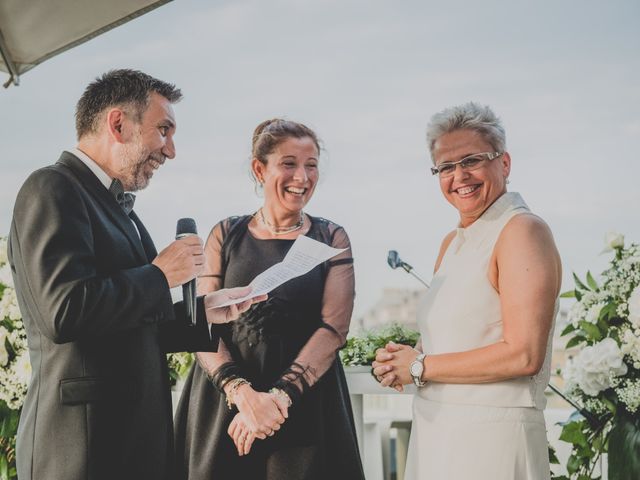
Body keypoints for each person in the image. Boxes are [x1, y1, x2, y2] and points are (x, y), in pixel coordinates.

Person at [8, 69, 265, 480]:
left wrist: (202, 313)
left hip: (131, 447)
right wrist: (161, 276)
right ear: (117, 123)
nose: (171, 150)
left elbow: (135, 324)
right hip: (82, 450)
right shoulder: (51, 188)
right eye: (164, 130)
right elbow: (64, 312)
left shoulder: (121, 210)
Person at [373, 102, 562, 480]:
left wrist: (419, 366)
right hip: (436, 434)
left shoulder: (522, 231)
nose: (459, 175)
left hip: (491, 439)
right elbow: (458, 340)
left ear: (504, 163)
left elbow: (524, 354)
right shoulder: (452, 243)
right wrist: (403, 359)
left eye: (472, 160)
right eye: (445, 166)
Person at [174, 118, 365, 480]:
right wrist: (242, 394)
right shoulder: (225, 233)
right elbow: (199, 321)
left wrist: (278, 398)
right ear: (259, 169)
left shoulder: (332, 237)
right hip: (225, 405)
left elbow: (333, 328)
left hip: (305, 405)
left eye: (311, 166)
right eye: (289, 164)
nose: (302, 177)